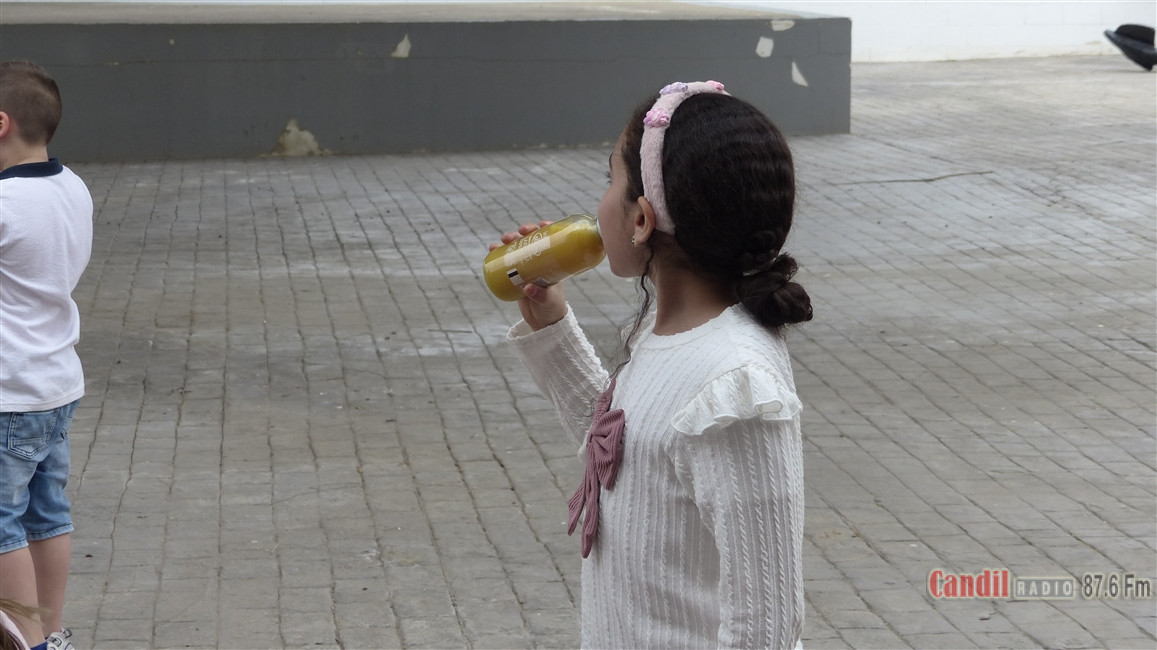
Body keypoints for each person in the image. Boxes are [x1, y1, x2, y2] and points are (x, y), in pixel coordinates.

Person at [492, 81, 811, 648]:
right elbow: (624, 453)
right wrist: (552, 325)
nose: (599, 202)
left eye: (609, 179)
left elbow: (766, 625)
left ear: (641, 220)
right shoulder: (670, 337)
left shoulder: (735, 385)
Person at [0, 60, 92, 650]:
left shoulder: (5, 202)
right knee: (47, 515)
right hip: (55, 386)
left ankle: (26, 640)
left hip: (8, 393)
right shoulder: (72, 186)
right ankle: (52, 634)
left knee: (1, 526)